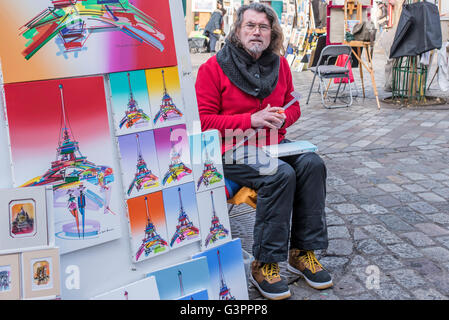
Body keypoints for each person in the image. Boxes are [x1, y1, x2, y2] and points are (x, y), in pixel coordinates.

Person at [195, 3, 332, 300]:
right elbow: (204, 121)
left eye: (263, 27)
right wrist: (250, 120)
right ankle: (265, 263)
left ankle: (302, 251)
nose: (257, 32)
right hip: (231, 146)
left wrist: (284, 116)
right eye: (250, 25)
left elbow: (294, 105)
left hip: (272, 143)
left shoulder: (280, 65)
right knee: (278, 173)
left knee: (312, 164)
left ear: (272, 33)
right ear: (237, 30)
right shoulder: (212, 68)